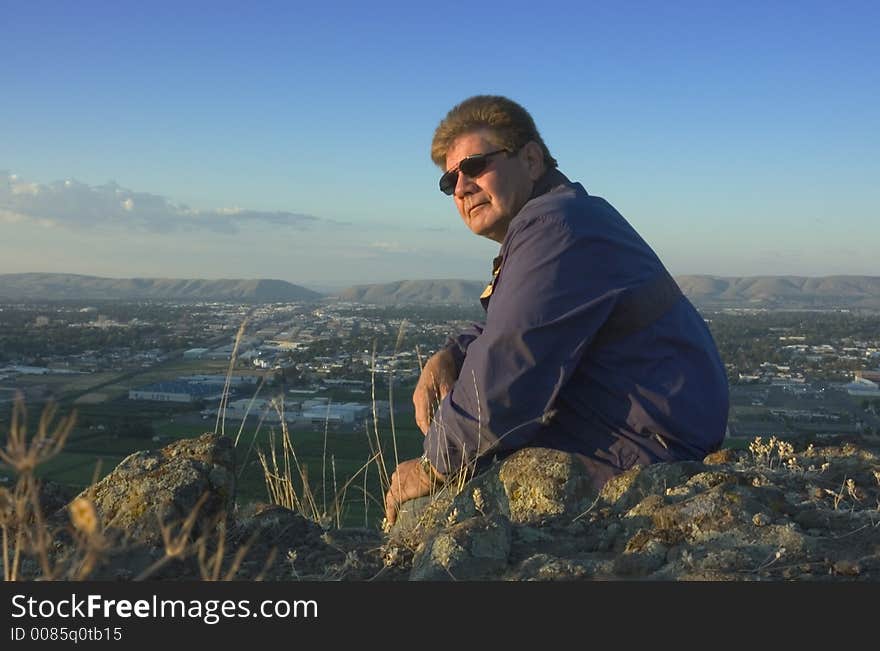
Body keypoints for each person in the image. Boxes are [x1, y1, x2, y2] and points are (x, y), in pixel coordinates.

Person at [384, 95, 729, 526]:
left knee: (427, 513)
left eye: (474, 166)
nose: (460, 187)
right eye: (448, 180)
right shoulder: (564, 218)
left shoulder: (555, 228)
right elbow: (517, 324)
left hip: (645, 449)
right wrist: (451, 355)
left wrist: (433, 467)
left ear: (530, 159)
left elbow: (504, 380)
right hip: (643, 430)